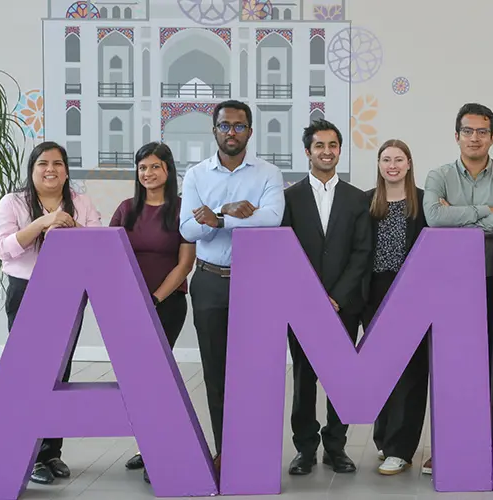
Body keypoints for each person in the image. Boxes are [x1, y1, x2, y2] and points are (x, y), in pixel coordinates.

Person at [0, 141, 103, 485]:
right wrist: (43, 222)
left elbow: (99, 243)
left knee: (59, 372)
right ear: (32, 169)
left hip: (68, 292)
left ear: (66, 170)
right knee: (27, 373)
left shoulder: (80, 203)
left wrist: (70, 230)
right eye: (43, 164)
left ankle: (52, 453)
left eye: (57, 163)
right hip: (26, 291)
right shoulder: (13, 202)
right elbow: (3, 248)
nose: (50, 169)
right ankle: (28, 455)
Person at [179, 100, 285, 471]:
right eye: (225, 126)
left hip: (256, 285)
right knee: (216, 371)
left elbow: (272, 219)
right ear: (214, 130)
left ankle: (256, 450)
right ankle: (225, 450)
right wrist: (230, 211)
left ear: (250, 132)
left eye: (239, 126)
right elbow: (187, 229)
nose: (231, 132)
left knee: (257, 372)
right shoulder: (195, 175)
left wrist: (216, 218)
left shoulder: (268, 174)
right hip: (209, 281)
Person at [422, 102, 493, 474]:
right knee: (453, 367)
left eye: (482, 132)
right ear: (456, 136)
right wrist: (487, 212)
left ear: (492, 137)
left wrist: (459, 217)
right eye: (468, 131)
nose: (475, 138)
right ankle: (449, 445)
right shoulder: (438, 175)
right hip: (450, 285)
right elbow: (434, 218)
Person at [282, 119, 371, 476]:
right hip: (302, 307)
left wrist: (336, 297)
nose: (327, 151)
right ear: (308, 152)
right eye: (319, 145)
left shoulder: (357, 198)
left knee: (340, 378)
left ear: (339, 150)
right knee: (304, 379)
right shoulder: (289, 198)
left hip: (344, 305)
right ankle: (305, 448)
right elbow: (285, 253)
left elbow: (362, 252)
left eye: (333, 145)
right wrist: (311, 299)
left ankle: (337, 446)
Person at [110, 142, 195, 483]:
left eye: (155, 167)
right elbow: (110, 256)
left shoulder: (181, 210)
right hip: (130, 308)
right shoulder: (126, 209)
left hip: (167, 305)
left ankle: (161, 451)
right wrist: (132, 301)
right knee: (138, 380)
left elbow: (185, 263)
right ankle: (146, 446)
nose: (148, 173)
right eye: (143, 167)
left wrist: (155, 299)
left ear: (168, 171)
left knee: (158, 377)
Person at [362, 139, 429, 475]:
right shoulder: (366, 202)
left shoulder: (424, 201)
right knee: (381, 371)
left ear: (408, 162)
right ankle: (383, 440)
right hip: (374, 294)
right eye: (386, 159)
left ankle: (401, 448)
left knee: (411, 373)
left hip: (412, 295)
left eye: (398, 159)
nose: (392, 165)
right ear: (378, 164)